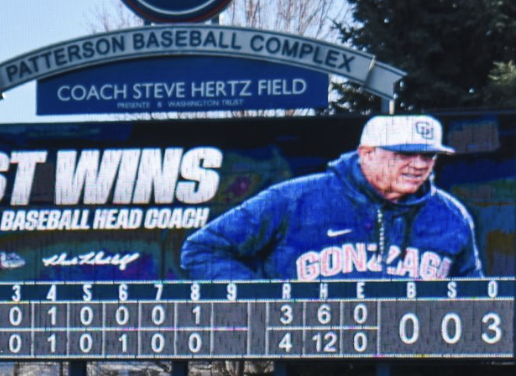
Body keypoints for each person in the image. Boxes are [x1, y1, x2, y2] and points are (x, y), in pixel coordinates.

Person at [180, 114, 482, 283]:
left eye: (428, 155)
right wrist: (261, 302)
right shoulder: (294, 199)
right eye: (404, 153)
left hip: (413, 363)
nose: (419, 165)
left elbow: (473, 297)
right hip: (307, 362)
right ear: (367, 153)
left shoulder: (452, 216)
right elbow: (202, 249)